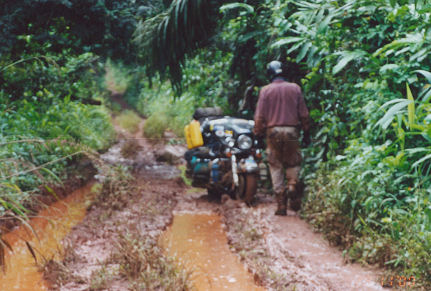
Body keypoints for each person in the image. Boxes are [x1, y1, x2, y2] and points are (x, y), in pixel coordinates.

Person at [254, 61, 311, 216]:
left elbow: (259, 117)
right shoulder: (295, 88)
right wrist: (306, 132)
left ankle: (281, 206)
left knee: (275, 165)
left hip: (273, 132)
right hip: (292, 130)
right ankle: (292, 185)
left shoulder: (265, 91)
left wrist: (258, 134)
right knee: (293, 162)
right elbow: (304, 114)